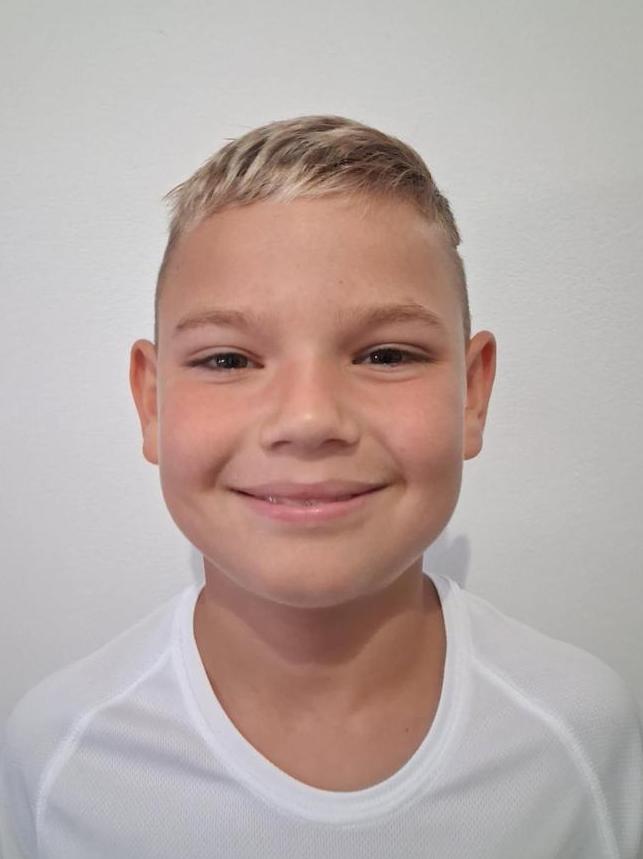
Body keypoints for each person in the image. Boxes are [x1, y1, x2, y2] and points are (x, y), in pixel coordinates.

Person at [1, 114, 641, 859]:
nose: (308, 420)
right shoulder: (59, 753)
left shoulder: (580, 736)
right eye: (227, 360)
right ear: (151, 403)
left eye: (386, 354)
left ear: (472, 394)